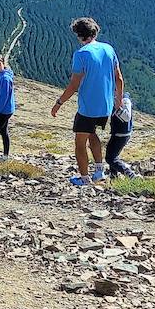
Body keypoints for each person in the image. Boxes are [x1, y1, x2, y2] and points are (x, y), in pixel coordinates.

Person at [51, 17, 123, 186]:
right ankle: (99, 171)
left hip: (88, 107)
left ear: (79, 35)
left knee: (79, 142)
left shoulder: (81, 54)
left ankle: (84, 178)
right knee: (92, 133)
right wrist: (118, 100)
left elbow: (74, 85)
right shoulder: (108, 49)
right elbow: (118, 78)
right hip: (106, 106)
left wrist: (59, 103)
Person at [106, 91, 136, 177]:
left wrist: (117, 108)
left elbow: (126, 117)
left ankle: (130, 174)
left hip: (122, 134)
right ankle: (113, 176)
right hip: (118, 133)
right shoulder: (117, 97)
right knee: (111, 155)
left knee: (110, 158)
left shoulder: (125, 99)